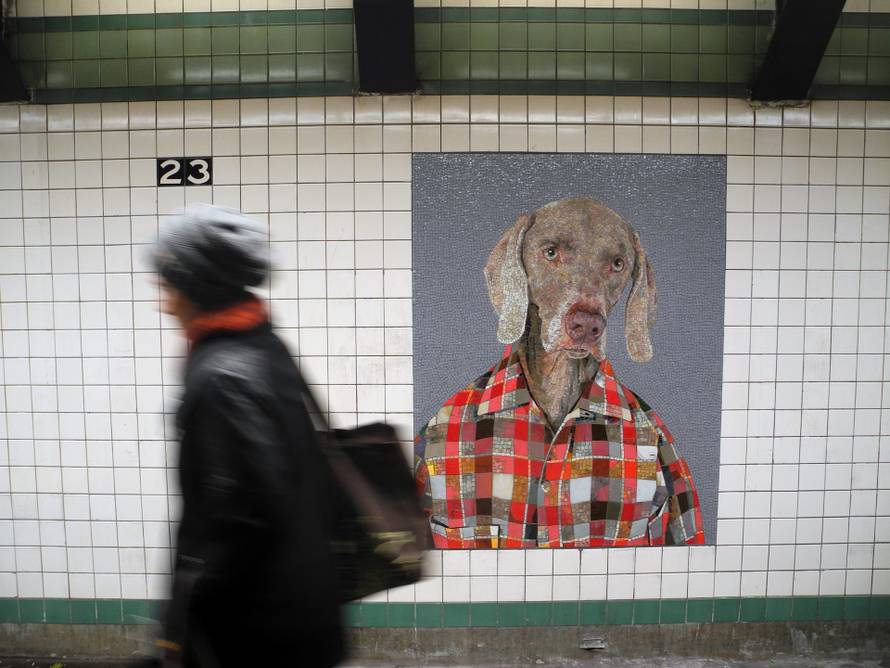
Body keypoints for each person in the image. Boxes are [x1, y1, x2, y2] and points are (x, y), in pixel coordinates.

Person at [150, 204, 343, 667]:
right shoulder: (265, 347)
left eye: (169, 286)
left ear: (197, 288)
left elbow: (234, 525)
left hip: (257, 633)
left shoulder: (222, 377)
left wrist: (181, 632)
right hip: (306, 608)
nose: (163, 303)